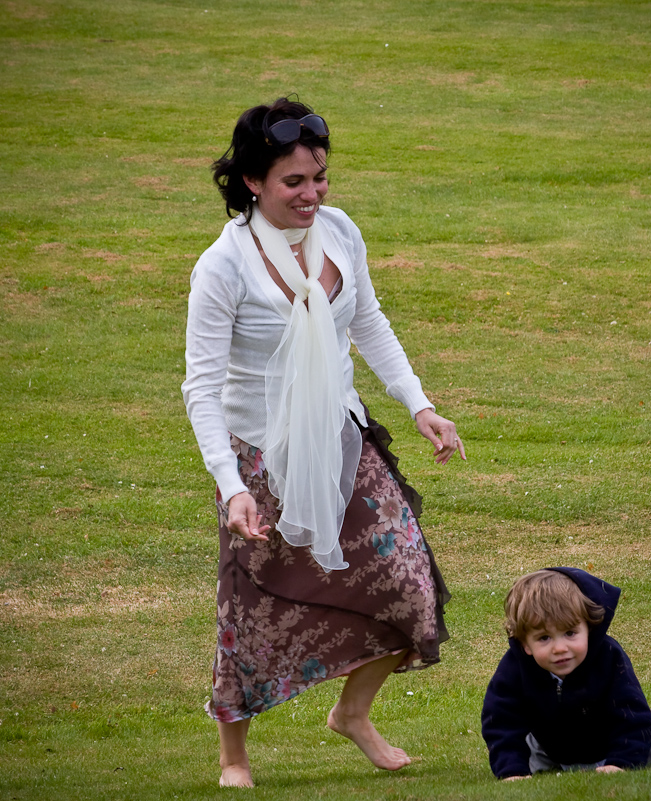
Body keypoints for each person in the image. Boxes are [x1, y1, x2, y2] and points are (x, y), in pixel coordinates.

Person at [182, 97, 466, 788]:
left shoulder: (339, 231)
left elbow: (366, 320)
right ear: (253, 181)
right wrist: (233, 486)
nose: (312, 194)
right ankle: (234, 756)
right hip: (258, 452)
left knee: (407, 581)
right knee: (254, 604)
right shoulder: (222, 267)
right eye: (294, 182)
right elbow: (201, 387)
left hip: (340, 434)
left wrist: (419, 403)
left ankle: (352, 713)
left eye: (320, 177)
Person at [481, 567, 651, 780]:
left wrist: (621, 762)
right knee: (535, 758)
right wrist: (512, 771)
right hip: (554, 745)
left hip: (614, 737)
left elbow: (631, 715)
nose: (560, 648)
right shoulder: (514, 668)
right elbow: (501, 723)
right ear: (525, 643)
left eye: (570, 633)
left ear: (589, 629)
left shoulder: (608, 657)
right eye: (544, 638)